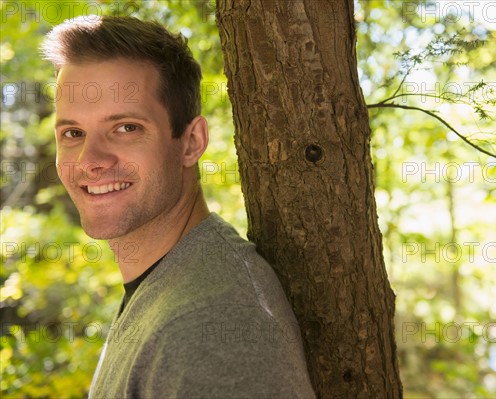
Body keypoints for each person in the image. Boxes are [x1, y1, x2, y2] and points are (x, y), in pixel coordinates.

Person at [41, 15, 315, 398]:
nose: (90, 159)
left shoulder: (212, 328)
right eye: (73, 133)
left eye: (126, 128)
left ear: (191, 142)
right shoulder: (165, 287)